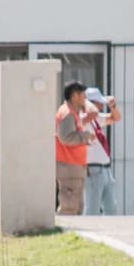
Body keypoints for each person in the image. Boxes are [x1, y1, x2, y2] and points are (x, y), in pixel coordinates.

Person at [50, 83, 93, 217]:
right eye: (83, 95)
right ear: (75, 96)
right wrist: (85, 137)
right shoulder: (67, 113)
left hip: (73, 167)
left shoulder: (72, 112)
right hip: (69, 167)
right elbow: (66, 138)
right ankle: (63, 234)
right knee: (69, 208)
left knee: (76, 207)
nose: (85, 99)